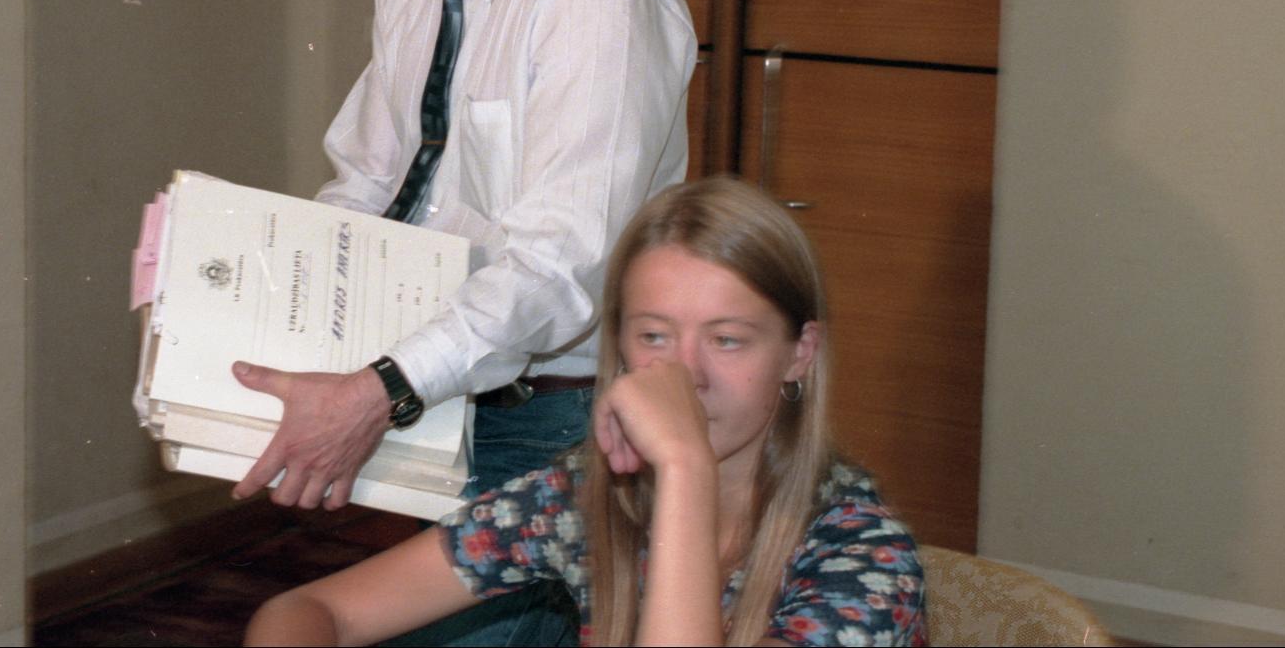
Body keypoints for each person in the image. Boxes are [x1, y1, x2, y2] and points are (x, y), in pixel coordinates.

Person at [230, 0, 695, 522]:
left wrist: (381, 390)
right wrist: (253, 300)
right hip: (428, 391)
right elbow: (369, 184)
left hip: (547, 422)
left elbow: (558, 268)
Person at [245, 177, 929, 647]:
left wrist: (683, 467)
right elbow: (312, 610)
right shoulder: (585, 494)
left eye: (726, 340)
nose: (685, 377)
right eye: (654, 336)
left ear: (799, 354)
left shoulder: (863, 556)